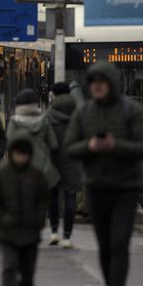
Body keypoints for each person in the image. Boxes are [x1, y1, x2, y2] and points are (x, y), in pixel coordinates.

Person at [64, 62, 143, 286]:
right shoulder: (83, 113)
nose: (97, 86)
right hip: (97, 186)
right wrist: (89, 147)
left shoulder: (131, 111)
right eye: (93, 82)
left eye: (102, 82)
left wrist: (117, 146)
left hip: (126, 186)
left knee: (119, 243)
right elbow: (69, 147)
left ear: (112, 84)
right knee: (104, 245)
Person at [0, 137, 50, 286]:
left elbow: (42, 201)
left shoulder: (37, 176)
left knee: (28, 271)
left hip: (30, 232)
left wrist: (39, 221)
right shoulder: (1, 175)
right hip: (7, 231)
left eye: (23, 155)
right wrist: (0, 219)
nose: (20, 158)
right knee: (9, 267)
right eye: (17, 154)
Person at [46, 81, 82, 247]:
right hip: (73, 160)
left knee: (53, 196)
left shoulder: (49, 115)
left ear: (54, 94)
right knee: (70, 197)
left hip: (53, 160)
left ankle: (54, 231)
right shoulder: (78, 114)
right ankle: (67, 236)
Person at [6, 88, 60, 193]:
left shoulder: (14, 122)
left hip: (21, 170)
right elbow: (54, 145)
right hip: (44, 170)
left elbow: (9, 145)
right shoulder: (44, 121)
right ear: (36, 104)